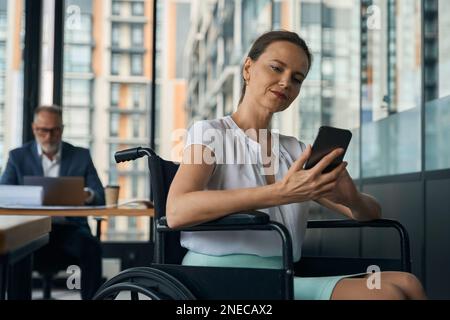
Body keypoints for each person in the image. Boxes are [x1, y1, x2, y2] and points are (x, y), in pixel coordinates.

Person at [166, 31, 427, 300]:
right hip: (221, 277)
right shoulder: (210, 134)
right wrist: (280, 193)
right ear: (248, 68)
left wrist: (351, 198)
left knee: (408, 283)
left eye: (297, 78)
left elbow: (369, 212)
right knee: (387, 296)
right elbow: (176, 211)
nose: (285, 82)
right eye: (276, 68)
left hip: (284, 273)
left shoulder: (297, 150)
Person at [1, 105, 104, 300]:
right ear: (34, 128)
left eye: (54, 130)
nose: (49, 136)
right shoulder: (17, 157)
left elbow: (99, 195)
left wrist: (87, 195)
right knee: (15, 251)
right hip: (30, 231)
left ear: (62, 129)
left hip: (69, 229)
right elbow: (3, 193)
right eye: (43, 130)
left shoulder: (81, 155)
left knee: (91, 247)